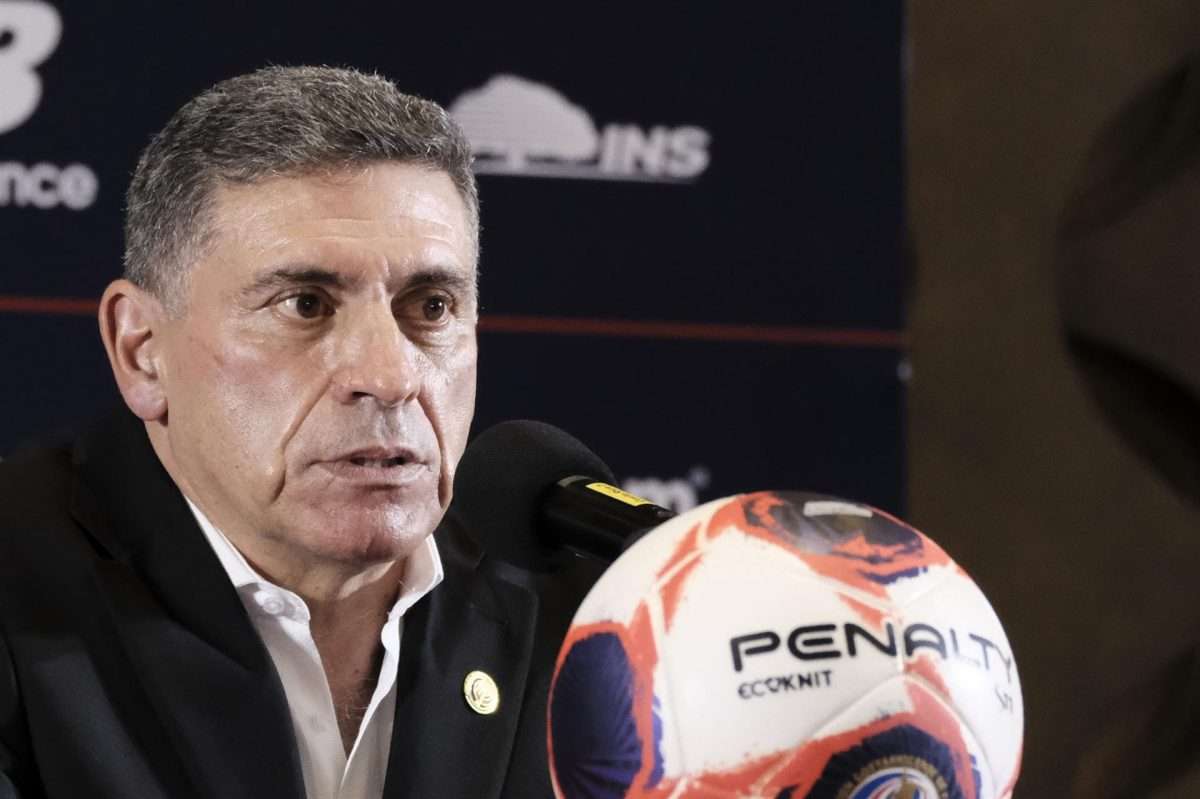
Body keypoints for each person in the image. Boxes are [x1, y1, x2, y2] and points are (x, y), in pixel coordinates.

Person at [0, 65, 602, 799]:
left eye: (432, 307)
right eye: (306, 304)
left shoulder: (598, 615)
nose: (391, 375)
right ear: (142, 350)